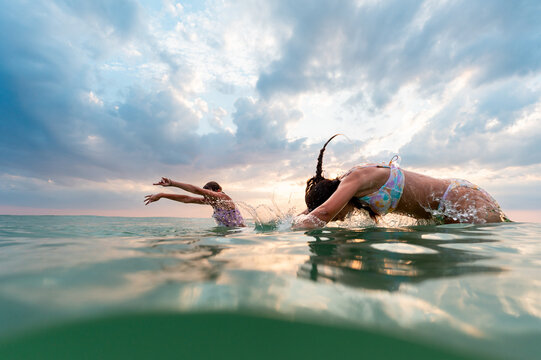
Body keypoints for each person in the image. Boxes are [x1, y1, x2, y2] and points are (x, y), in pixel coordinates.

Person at [293, 135, 509, 229]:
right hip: (451, 208)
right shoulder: (350, 190)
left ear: (331, 197)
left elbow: (321, 213)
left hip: (459, 200)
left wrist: (285, 233)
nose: (336, 220)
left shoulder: (355, 179)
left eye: (335, 218)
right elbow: (315, 210)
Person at [144, 178, 246, 227]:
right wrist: (162, 195)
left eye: (209, 193)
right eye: (205, 195)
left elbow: (196, 190)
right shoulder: (212, 201)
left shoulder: (224, 198)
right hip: (230, 234)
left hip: (240, 232)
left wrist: (172, 183)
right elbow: (187, 199)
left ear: (218, 190)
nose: (207, 197)